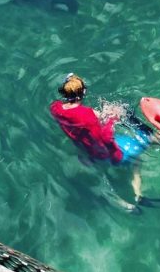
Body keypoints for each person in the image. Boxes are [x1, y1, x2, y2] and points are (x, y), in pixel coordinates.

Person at [49, 73, 152, 203]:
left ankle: (123, 203)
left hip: (88, 154)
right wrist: (112, 117)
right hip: (112, 155)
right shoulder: (88, 114)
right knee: (142, 152)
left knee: (103, 171)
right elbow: (106, 137)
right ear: (84, 92)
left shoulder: (55, 108)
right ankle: (138, 194)